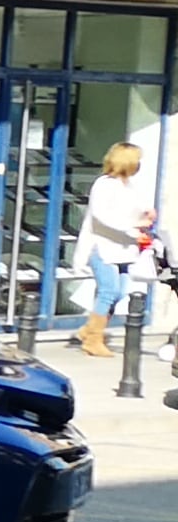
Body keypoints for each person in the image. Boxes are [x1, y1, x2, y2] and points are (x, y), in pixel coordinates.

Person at [77, 141, 151, 359]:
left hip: (124, 249)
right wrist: (132, 230)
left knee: (118, 292)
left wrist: (146, 216)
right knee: (109, 291)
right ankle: (93, 339)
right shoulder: (105, 184)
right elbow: (102, 216)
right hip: (103, 246)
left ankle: (90, 329)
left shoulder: (129, 185)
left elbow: (133, 211)